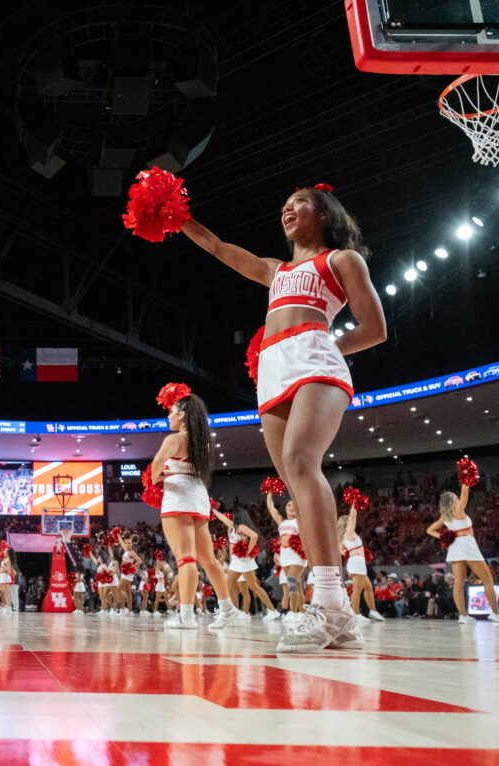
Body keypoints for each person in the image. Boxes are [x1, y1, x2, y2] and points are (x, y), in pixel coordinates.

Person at [182, 184, 387, 652]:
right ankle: (331, 614)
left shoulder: (341, 261)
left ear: (324, 212)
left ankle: (334, 608)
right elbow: (218, 247)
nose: (288, 209)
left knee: (299, 460)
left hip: (315, 356)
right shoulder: (276, 270)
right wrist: (177, 218)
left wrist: (325, 345)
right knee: (294, 477)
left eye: (298, 201)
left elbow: (375, 329)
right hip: (271, 367)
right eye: (284, 205)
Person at [149, 386, 240, 632]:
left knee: (185, 558)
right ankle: (228, 609)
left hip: (178, 498)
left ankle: (186, 617)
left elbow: (156, 464)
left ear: (182, 414)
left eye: (171, 412)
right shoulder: (202, 443)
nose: (168, 416)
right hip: (198, 498)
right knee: (208, 560)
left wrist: (154, 480)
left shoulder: (174, 439)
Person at [427, 481, 499, 625]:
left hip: (454, 548)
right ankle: (496, 613)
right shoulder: (458, 510)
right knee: (488, 580)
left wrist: (444, 536)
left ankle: (463, 615)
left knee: (458, 583)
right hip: (467, 545)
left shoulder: (445, 517)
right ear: (453, 500)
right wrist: (466, 479)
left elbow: (430, 530)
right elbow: (465, 493)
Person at [213, 506, 279, 621]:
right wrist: (212, 509)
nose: (233, 517)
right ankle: (231, 611)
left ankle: (272, 610)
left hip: (244, 562)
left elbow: (254, 536)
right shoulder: (234, 527)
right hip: (236, 562)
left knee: (253, 587)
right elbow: (223, 518)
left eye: (235, 515)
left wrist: (248, 550)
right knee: (229, 586)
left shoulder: (242, 527)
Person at [337, 506, 384, 623]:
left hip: (358, 562)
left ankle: (372, 611)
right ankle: (355, 614)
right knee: (357, 590)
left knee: (368, 587)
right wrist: (354, 504)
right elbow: (353, 516)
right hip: (356, 562)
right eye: (349, 521)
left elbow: (341, 552)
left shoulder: (344, 536)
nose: (352, 522)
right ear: (346, 523)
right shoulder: (348, 533)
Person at [266, 492, 306, 622]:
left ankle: (293, 612)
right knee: (297, 584)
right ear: (285, 507)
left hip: (297, 555)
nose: (292, 507)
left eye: (294, 505)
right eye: (289, 505)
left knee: (292, 582)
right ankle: (303, 612)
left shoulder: (300, 521)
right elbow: (271, 507)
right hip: (285, 556)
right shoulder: (281, 522)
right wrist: (270, 493)